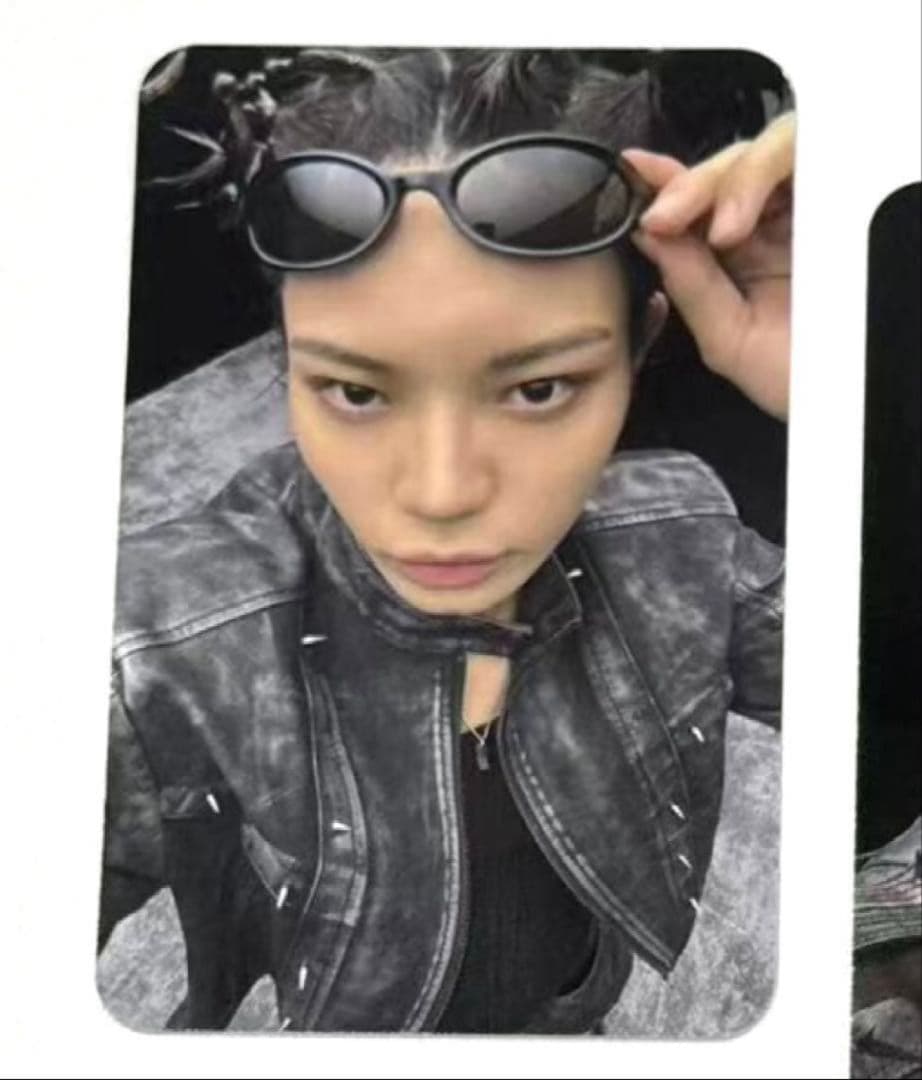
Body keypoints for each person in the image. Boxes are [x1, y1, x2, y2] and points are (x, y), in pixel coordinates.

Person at [100, 47, 793, 1034]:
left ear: (640, 348)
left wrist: (839, 380)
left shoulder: (687, 548)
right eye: (355, 390)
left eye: (538, 388)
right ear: (290, 366)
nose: (441, 493)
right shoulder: (171, 642)